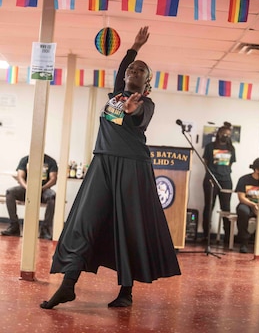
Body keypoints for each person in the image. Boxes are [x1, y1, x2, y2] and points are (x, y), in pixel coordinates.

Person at [40, 26, 181, 310]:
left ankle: (126, 292)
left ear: (147, 84)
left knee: (130, 227)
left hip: (132, 169)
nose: (135, 68)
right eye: (132, 68)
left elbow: (140, 115)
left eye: (141, 69)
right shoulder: (116, 96)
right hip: (103, 163)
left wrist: (134, 109)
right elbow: (123, 70)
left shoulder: (146, 103)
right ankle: (68, 286)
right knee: (84, 222)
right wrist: (134, 48)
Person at [1, 153, 58, 240]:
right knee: (10, 192)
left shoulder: (50, 161)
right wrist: (28, 188)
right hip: (26, 188)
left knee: (52, 196)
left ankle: (45, 229)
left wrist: (41, 189)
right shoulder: (25, 159)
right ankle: (14, 226)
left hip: (44, 190)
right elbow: (20, 177)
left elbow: (53, 179)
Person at [202, 122, 236, 244]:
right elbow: (205, 162)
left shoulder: (231, 148)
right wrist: (212, 175)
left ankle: (227, 237)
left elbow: (230, 164)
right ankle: (206, 235)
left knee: (226, 208)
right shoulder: (210, 146)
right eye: (224, 133)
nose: (226, 136)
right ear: (219, 134)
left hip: (226, 180)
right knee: (209, 206)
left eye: (228, 134)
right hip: (211, 179)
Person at [235, 158, 259, 254]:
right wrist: (253, 205)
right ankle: (244, 241)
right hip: (247, 204)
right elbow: (241, 197)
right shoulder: (244, 179)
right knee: (242, 211)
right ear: (257, 169)